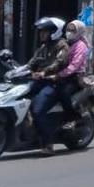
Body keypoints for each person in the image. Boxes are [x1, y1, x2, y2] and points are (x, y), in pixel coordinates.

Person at [27, 17, 70, 154]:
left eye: (45, 32)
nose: (41, 34)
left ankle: (48, 144)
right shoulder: (43, 47)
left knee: (38, 110)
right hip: (40, 81)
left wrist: (44, 72)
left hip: (54, 83)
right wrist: (17, 71)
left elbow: (59, 63)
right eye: (41, 32)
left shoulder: (62, 45)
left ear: (54, 32)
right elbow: (31, 63)